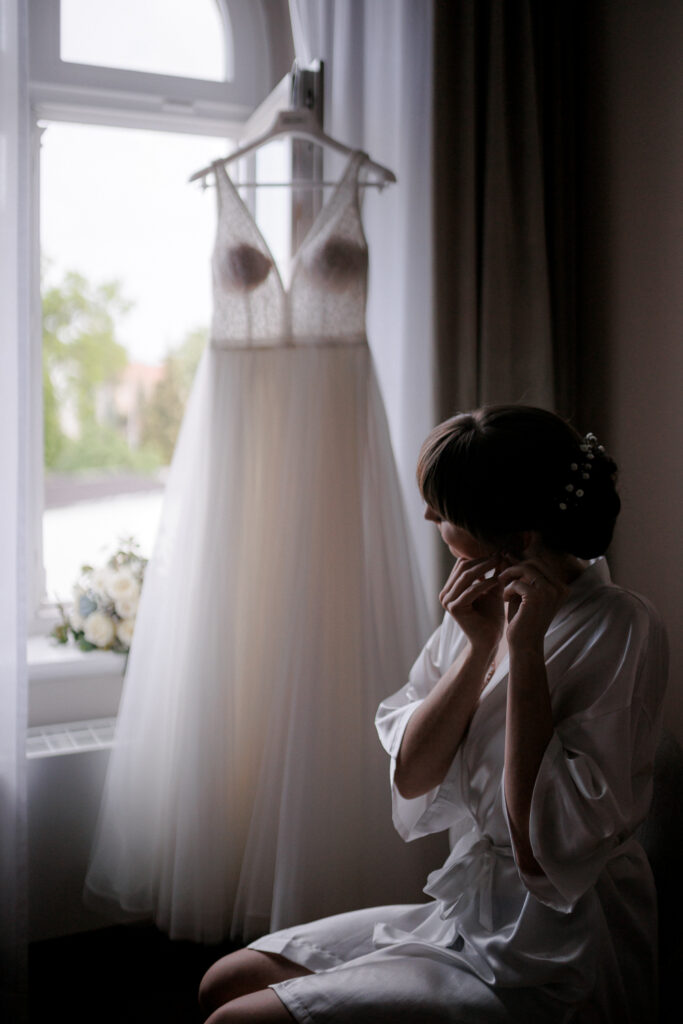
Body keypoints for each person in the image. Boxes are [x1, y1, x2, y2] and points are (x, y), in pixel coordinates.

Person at [198, 405, 668, 1023]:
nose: (429, 517)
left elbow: (538, 848)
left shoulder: (620, 629)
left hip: (555, 938)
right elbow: (414, 775)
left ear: (519, 537)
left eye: (443, 511)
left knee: (234, 1021)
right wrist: (477, 649)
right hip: (468, 906)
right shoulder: (482, 603)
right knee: (223, 981)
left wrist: (524, 653)